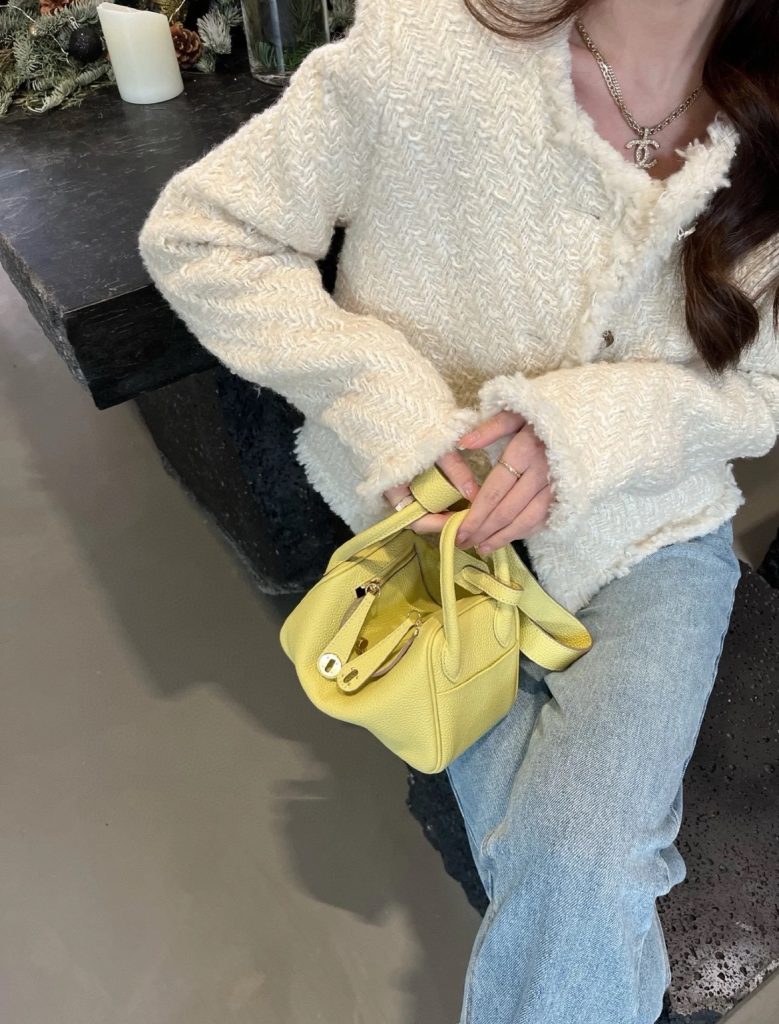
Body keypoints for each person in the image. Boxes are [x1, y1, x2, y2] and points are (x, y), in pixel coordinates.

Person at [137, 1, 779, 1021]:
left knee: (572, 853)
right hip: (437, 543)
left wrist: (585, 433)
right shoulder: (428, 46)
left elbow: (760, 387)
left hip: (651, 536)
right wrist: (392, 414)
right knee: (585, 862)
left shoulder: (770, 127)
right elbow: (206, 233)